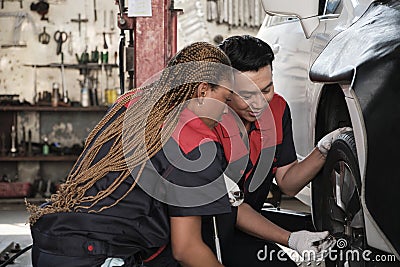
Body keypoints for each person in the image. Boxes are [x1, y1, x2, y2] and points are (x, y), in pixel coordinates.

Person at [27, 41, 333, 267]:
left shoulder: (136, 102)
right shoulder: (194, 140)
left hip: (58, 240)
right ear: (202, 91)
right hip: (96, 255)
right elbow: (187, 248)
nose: (227, 109)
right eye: (228, 98)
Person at [216, 35, 348, 266]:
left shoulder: (277, 108)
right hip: (213, 227)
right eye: (246, 95)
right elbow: (231, 208)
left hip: (249, 217)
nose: (259, 103)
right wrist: (291, 240)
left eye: (266, 89)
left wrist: (323, 150)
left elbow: (287, 182)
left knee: (329, 238)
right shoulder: (210, 122)